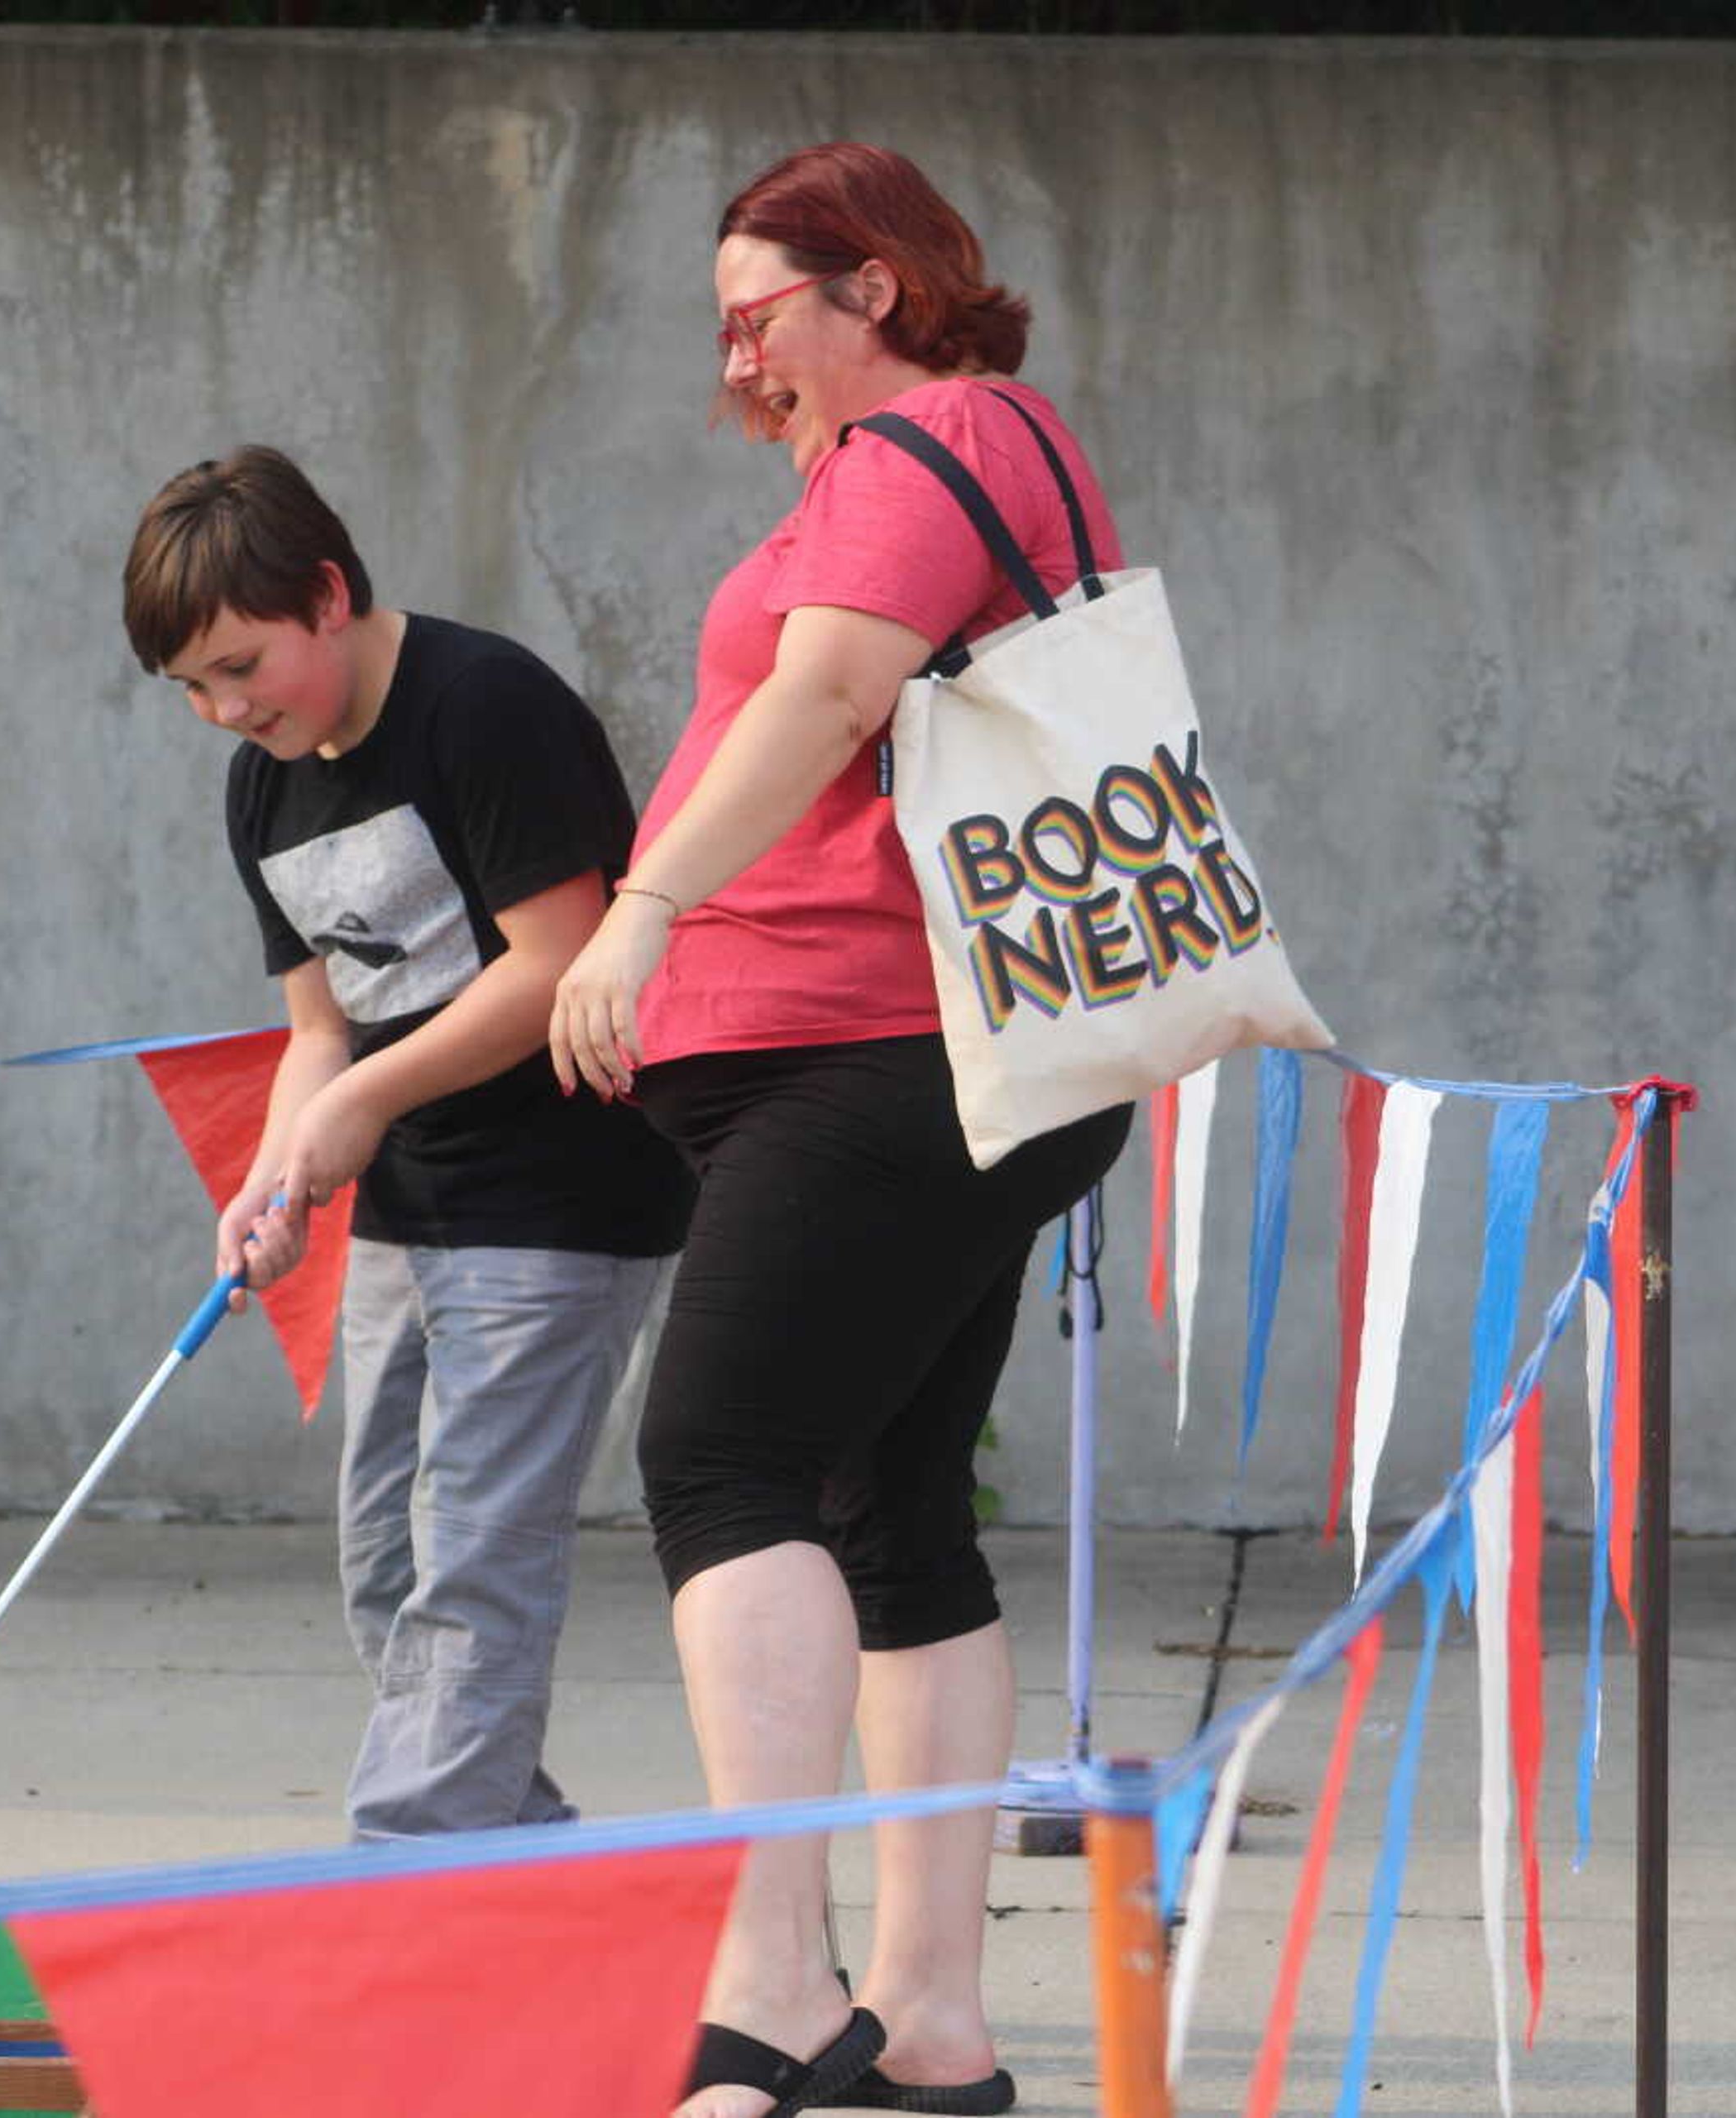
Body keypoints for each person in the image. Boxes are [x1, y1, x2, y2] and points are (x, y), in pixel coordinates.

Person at [546, 146, 1134, 2118]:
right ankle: (932, 2020)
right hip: (895, 1062)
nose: (738, 366)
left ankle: (773, 1982)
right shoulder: (915, 463)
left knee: (720, 1468)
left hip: (876, 1055)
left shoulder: (935, 442)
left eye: (759, 316)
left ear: (871, 286)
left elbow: (823, 698)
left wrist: (644, 908)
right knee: (890, 1520)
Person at [122, 446, 692, 1843]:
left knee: (474, 1568)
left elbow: (560, 959)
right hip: (408, 1213)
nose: (221, 708)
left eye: (241, 665)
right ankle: (532, 1868)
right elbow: (321, 1029)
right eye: (191, 685)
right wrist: (279, 1173)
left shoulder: (481, 707)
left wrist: (366, 1105)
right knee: (388, 1564)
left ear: (326, 594)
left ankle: (409, 1885)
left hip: (560, 1200)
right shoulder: (264, 787)